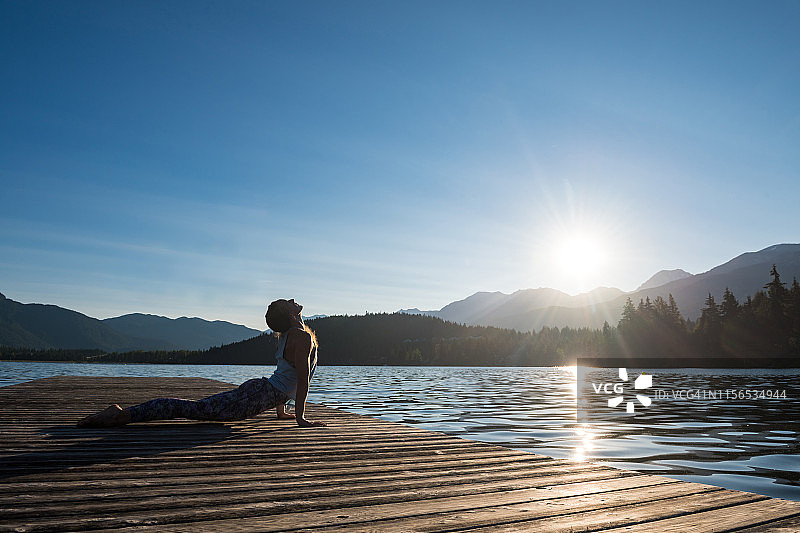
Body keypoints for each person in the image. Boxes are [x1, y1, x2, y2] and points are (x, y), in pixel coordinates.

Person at [77, 298, 326, 428]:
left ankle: (125, 414)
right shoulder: (300, 336)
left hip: (262, 391)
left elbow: (284, 375)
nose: (294, 299)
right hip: (259, 395)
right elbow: (300, 378)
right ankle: (122, 416)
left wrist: (282, 411)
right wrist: (300, 418)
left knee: (196, 408)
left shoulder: (290, 334)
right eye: (289, 302)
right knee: (191, 409)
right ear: (291, 314)